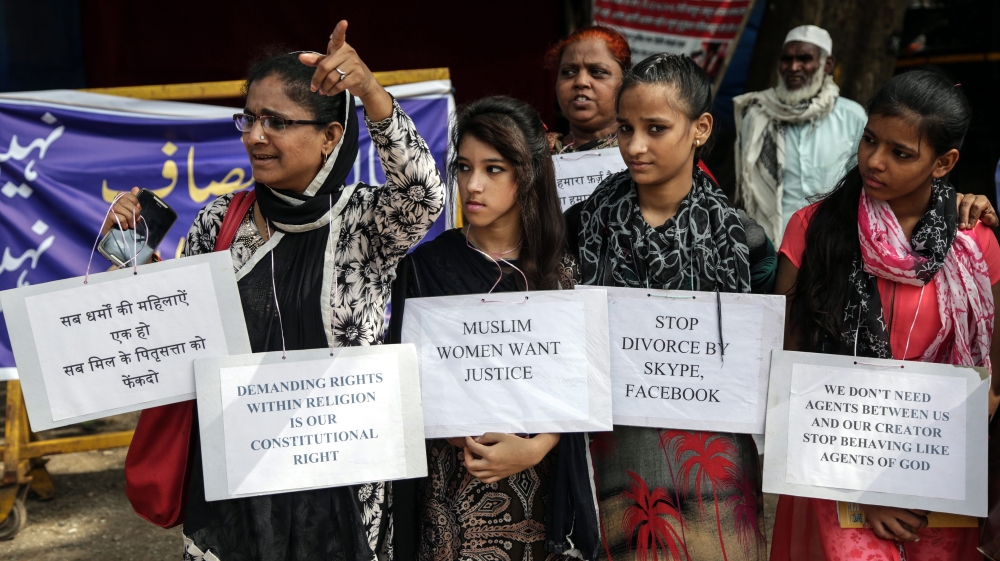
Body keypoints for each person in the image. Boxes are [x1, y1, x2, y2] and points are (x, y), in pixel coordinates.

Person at [104, 21, 444, 561]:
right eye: (250, 119)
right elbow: (178, 330)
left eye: (277, 122)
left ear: (330, 137)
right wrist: (130, 251)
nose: (255, 136)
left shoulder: (366, 221)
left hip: (342, 476)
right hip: (240, 471)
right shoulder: (221, 220)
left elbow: (424, 193)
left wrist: (369, 90)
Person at [770, 70, 1000, 561]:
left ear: (944, 163)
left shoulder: (974, 244)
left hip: (938, 478)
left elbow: (992, 380)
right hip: (835, 468)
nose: (874, 161)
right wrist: (863, 485)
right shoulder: (814, 228)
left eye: (901, 153)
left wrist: (918, 475)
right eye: (870, 140)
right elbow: (787, 368)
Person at [567, 53, 774, 560]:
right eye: (625, 129)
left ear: (700, 128)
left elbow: (766, 351)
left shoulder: (743, 239)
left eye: (655, 128)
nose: (635, 146)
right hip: (616, 463)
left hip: (715, 470)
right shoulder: (579, 227)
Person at [387, 96, 596, 561]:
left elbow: (584, 388)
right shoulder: (425, 268)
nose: (473, 185)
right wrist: (457, 431)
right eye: (464, 167)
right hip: (452, 498)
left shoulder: (561, 271)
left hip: (540, 492)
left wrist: (536, 447)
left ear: (529, 174)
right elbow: (403, 387)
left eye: (493, 169)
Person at [733, 25, 868, 245]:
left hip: (829, 242)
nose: (793, 67)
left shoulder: (852, 117)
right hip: (771, 242)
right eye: (787, 59)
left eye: (804, 59)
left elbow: (858, 185)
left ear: (827, 65)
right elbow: (747, 188)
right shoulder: (758, 116)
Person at [546, 25, 632, 154]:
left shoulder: (643, 152)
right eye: (568, 72)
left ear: (625, 83)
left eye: (597, 72)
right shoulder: (535, 155)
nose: (581, 81)